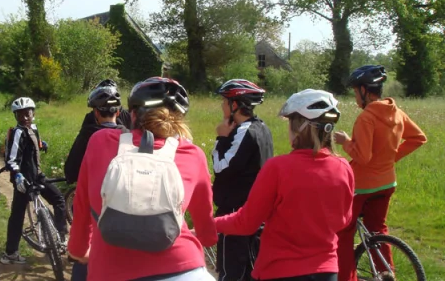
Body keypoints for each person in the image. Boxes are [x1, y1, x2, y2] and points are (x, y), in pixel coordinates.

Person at [68, 77, 218, 280]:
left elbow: (82, 206)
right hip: (183, 267)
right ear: (178, 119)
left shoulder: (99, 142)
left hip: (110, 270)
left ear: (131, 113)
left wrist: (78, 249)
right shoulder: (193, 154)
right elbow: (207, 234)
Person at [215, 89, 354, 281]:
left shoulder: (278, 168)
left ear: (299, 127)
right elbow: (343, 220)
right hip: (326, 271)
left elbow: (246, 223)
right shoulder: (343, 167)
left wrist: (210, 224)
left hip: (281, 271)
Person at [334, 65, 427, 281]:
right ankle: (386, 273)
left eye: (356, 91)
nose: (355, 96)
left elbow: (363, 157)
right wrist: (390, 158)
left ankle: (346, 278)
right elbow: (418, 138)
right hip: (387, 183)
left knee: (344, 234)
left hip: (362, 186)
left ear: (365, 90)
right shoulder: (396, 112)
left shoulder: (366, 117)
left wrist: (346, 142)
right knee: (377, 229)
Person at [211, 79, 274, 281]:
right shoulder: (263, 128)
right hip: (256, 211)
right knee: (250, 269)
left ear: (235, 104)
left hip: (236, 212)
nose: (222, 105)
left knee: (231, 272)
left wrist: (221, 138)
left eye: (224, 101)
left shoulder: (243, 131)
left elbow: (221, 167)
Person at [65, 80, 127, 280]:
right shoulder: (131, 136)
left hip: (96, 210)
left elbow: (72, 168)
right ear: (118, 112)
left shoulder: (90, 135)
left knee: (86, 257)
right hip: (126, 211)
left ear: (96, 113)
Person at [1, 97, 68, 264]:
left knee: (59, 199)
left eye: (27, 113)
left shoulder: (33, 128)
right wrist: (17, 175)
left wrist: (40, 144)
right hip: (23, 181)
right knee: (17, 215)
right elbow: (11, 159)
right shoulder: (17, 132)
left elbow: (31, 145)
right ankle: (11, 253)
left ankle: (60, 237)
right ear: (15, 116)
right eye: (20, 115)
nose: (24, 118)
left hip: (38, 176)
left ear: (33, 113)